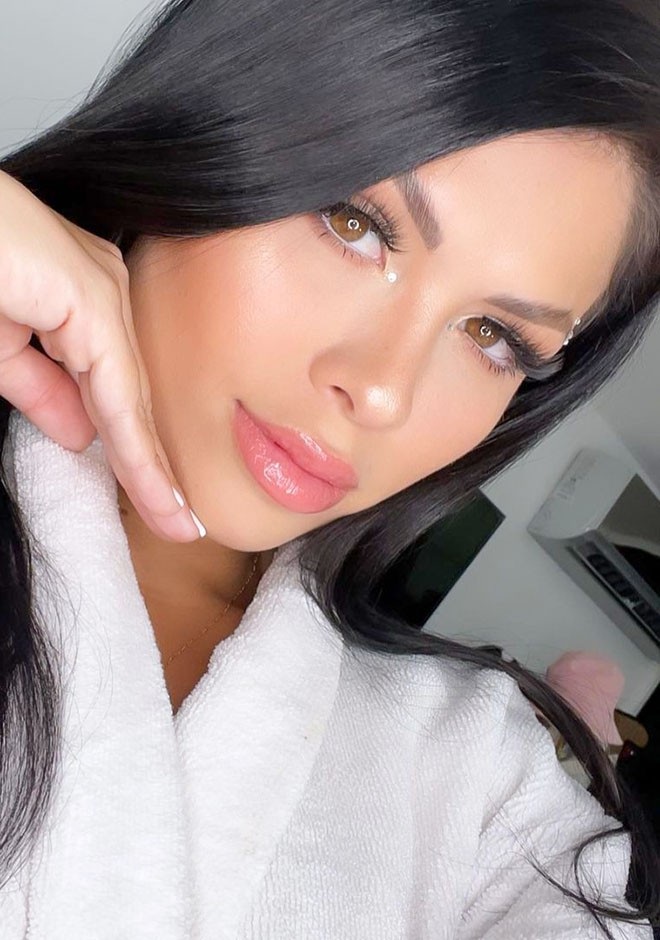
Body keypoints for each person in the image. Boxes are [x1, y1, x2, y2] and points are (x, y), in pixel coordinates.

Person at [0, 0, 658, 936]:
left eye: (492, 336)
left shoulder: (480, 781)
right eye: (355, 223)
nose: (384, 391)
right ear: (198, 137)